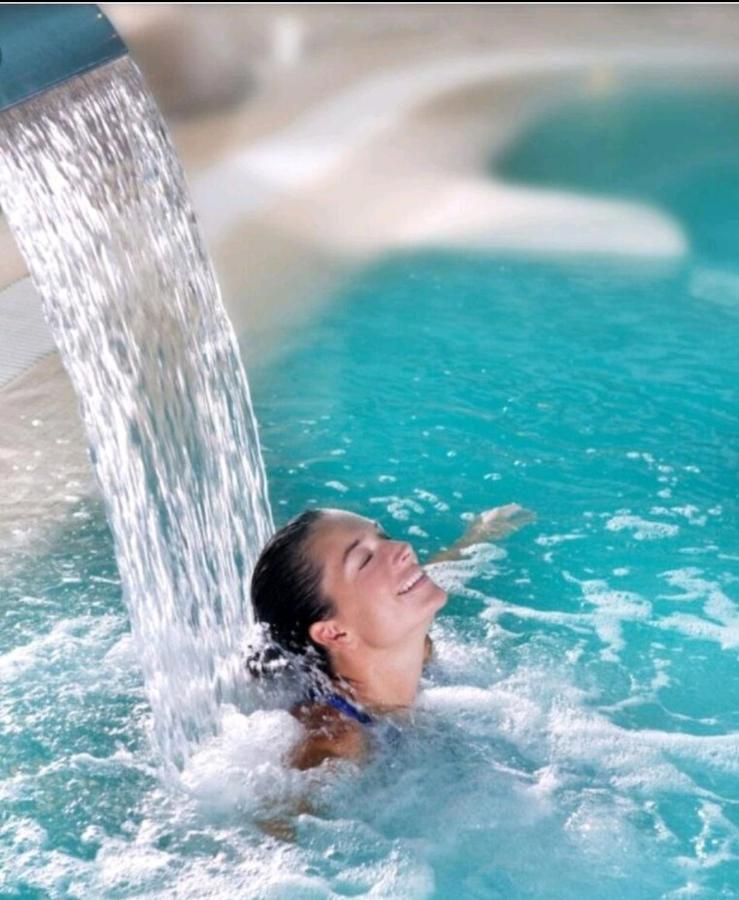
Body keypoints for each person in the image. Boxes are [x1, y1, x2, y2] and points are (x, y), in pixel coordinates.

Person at [249, 503, 534, 770]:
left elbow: (412, 580)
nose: (403, 548)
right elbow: (277, 817)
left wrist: (475, 537)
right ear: (334, 632)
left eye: (383, 536)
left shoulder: (418, 649)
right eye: (365, 559)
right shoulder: (335, 741)